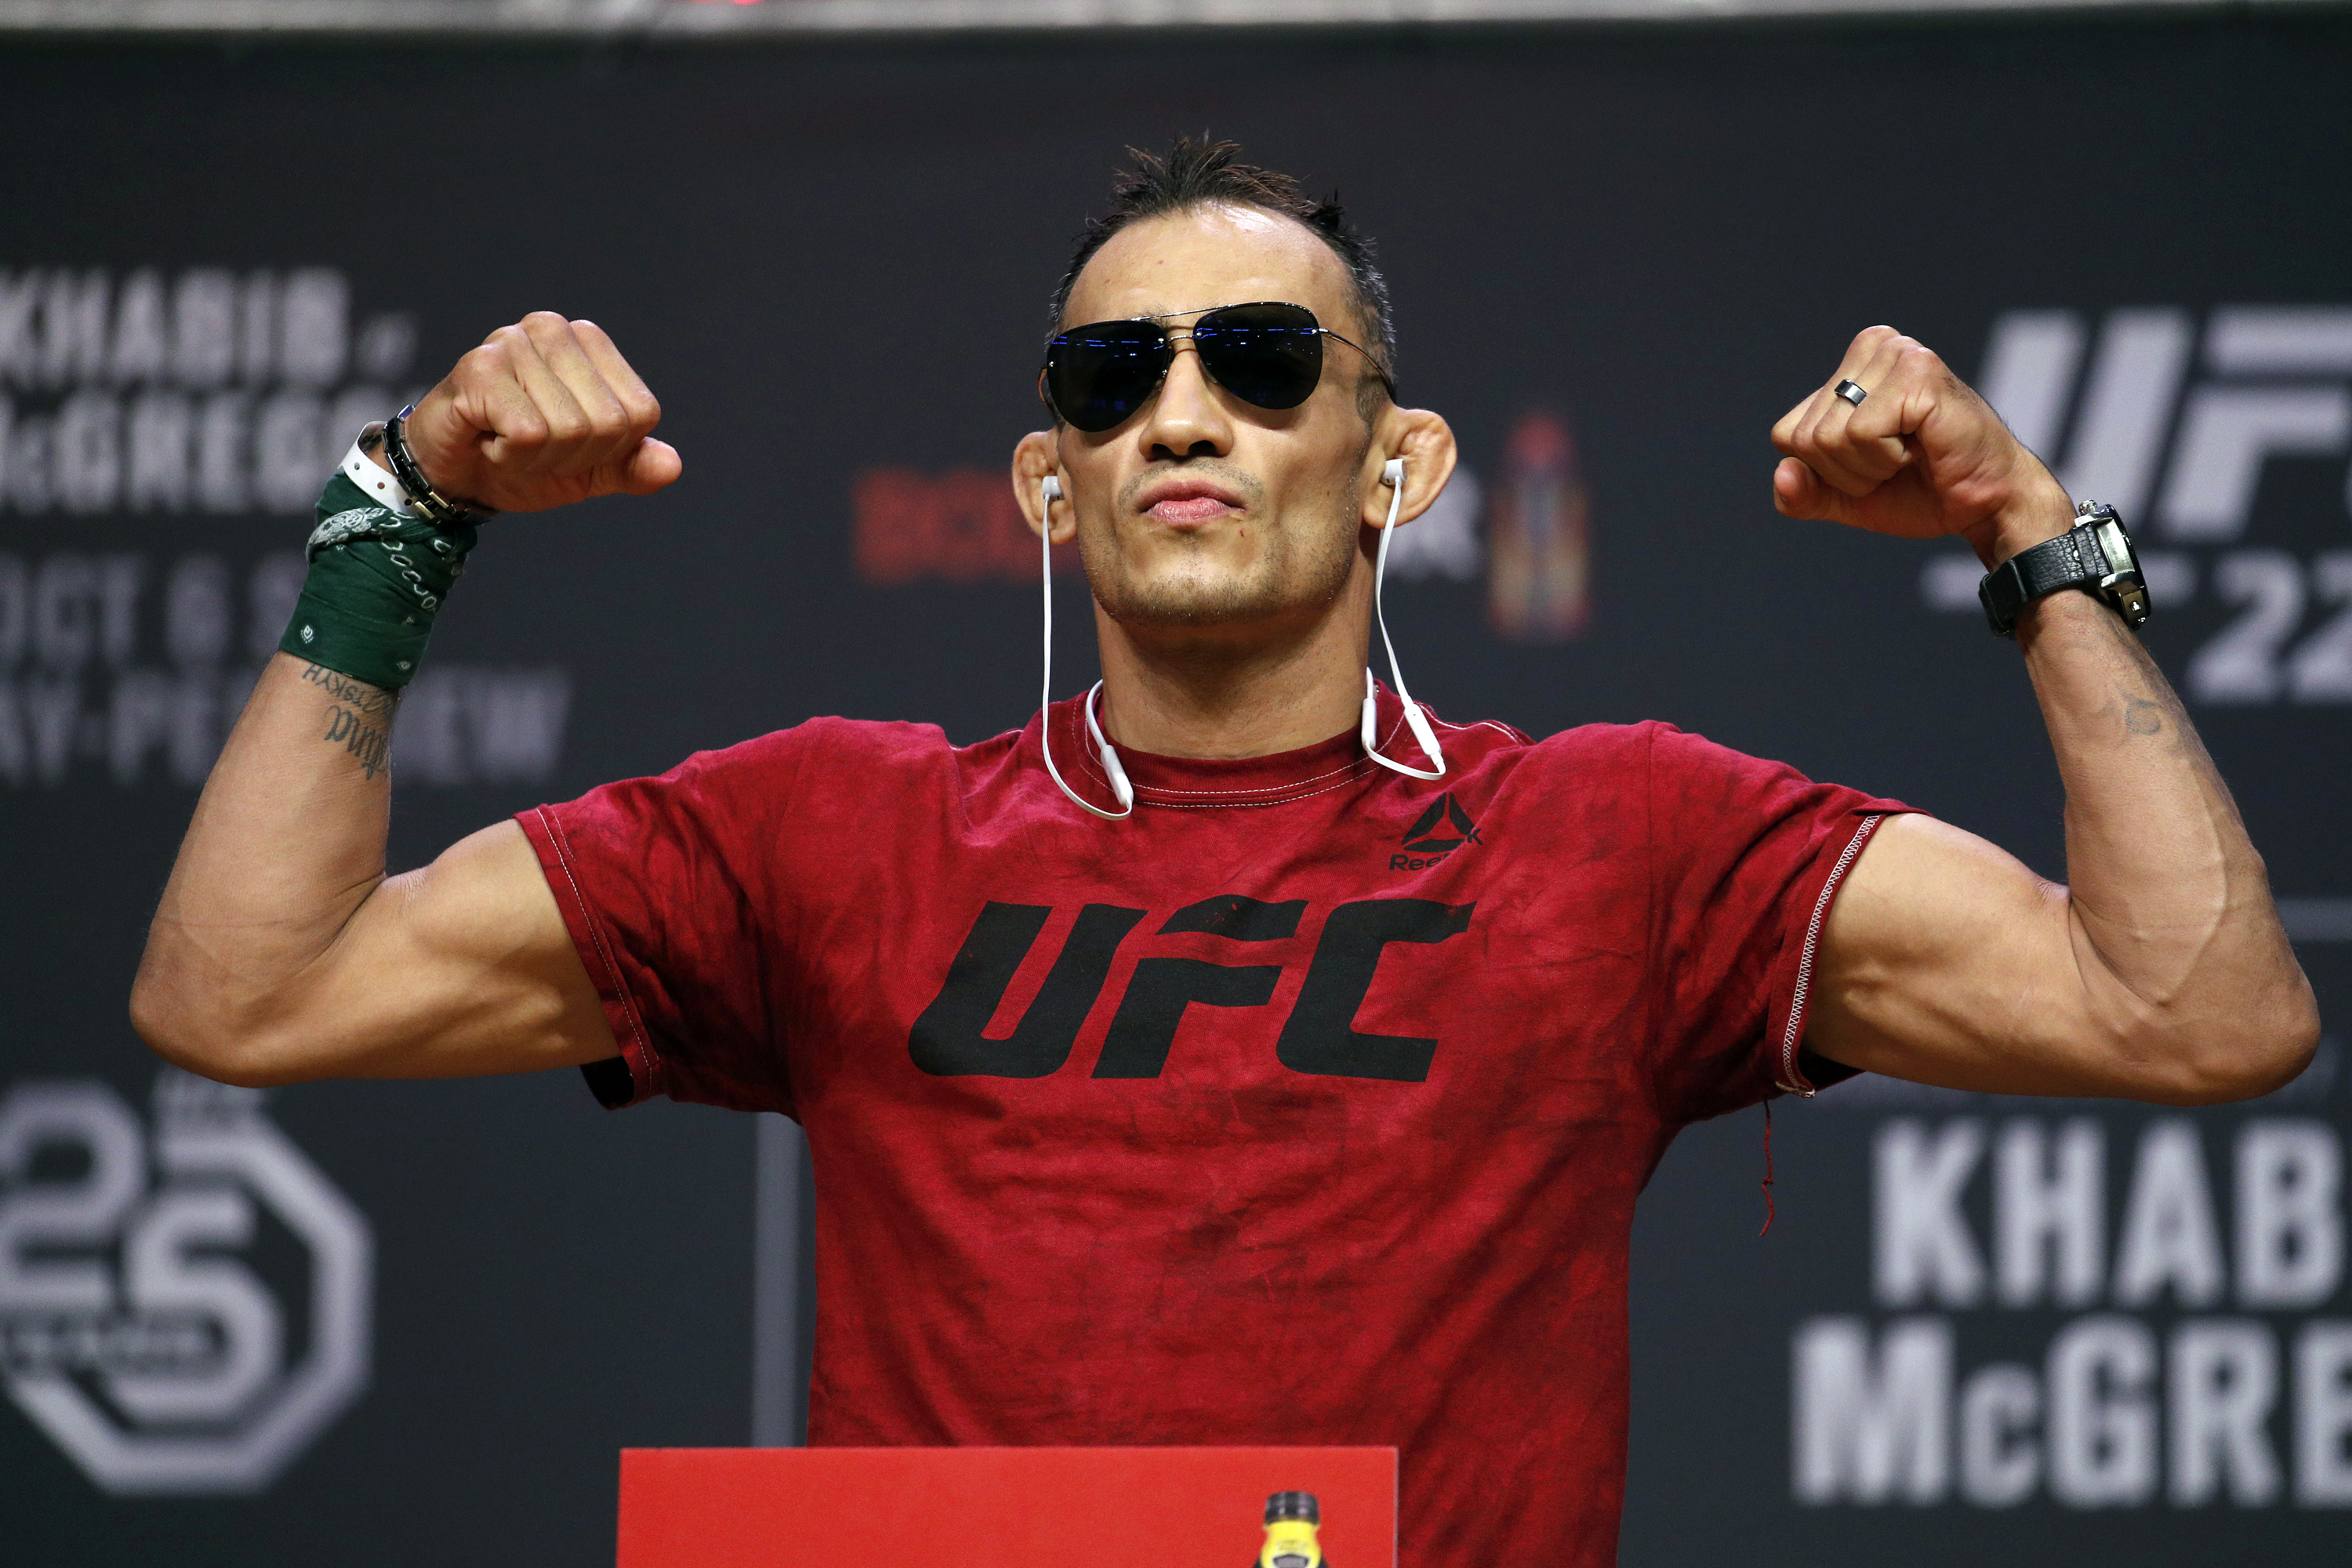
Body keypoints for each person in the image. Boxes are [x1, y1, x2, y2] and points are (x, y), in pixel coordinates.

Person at [131, 139, 2316, 1565]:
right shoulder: (832, 827)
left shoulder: (1622, 839)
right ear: (1045, 484)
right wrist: (402, 513)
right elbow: (247, 990)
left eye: (1266, 363)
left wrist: (2036, 536)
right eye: (1111, 374)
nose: (1181, 412)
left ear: (1403, 463)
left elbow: (2196, 1011)